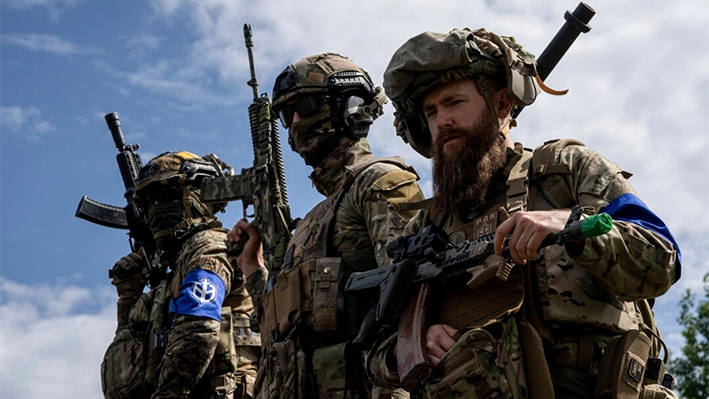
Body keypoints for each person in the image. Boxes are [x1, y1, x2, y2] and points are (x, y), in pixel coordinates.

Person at [366, 28, 682, 399]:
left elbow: (662, 261)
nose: (441, 122)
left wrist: (573, 224)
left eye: (453, 102)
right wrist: (413, 342)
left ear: (502, 105)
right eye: (431, 112)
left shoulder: (565, 171)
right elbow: (374, 352)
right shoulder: (426, 227)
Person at [229, 53, 425, 398]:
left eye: (305, 105)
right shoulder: (311, 223)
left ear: (348, 105)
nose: (296, 121)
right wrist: (253, 268)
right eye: (287, 115)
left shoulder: (378, 182)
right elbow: (282, 329)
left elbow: (412, 293)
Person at [104, 151, 261, 399]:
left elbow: (199, 326)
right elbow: (124, 374)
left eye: (167, 197)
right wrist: (128, 299)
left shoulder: (208, 247)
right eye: (149, 203)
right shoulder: (167, 281)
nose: (157, 210)